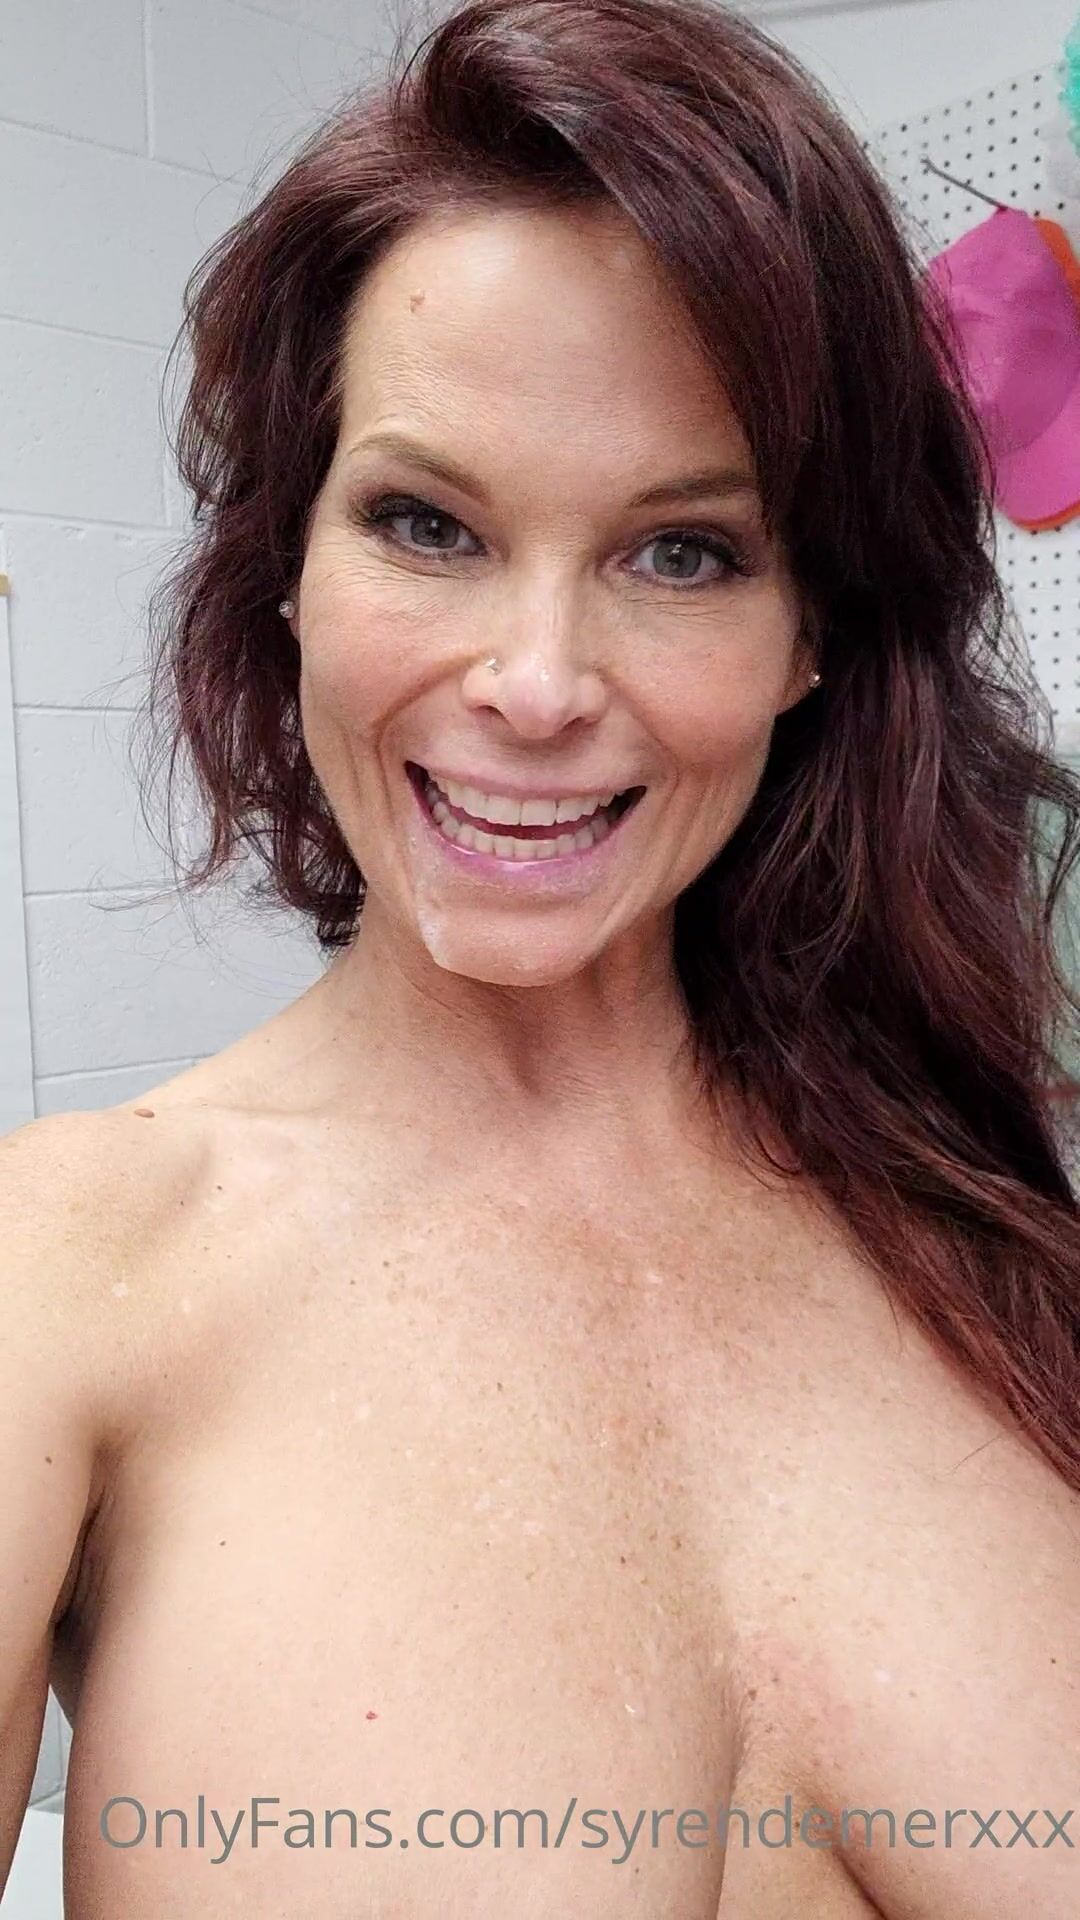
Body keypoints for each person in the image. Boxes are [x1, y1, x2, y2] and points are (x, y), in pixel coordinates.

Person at [3, 0, 1079, 1913]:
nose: (538, 682)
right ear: (289, 569)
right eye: (427, 524)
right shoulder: (65, 1274)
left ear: (813, 635)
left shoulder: (984, 1228)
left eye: (684, 553)